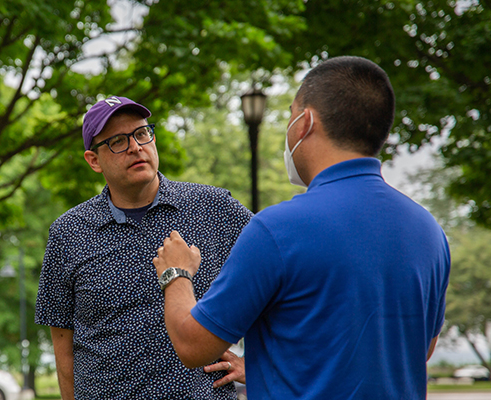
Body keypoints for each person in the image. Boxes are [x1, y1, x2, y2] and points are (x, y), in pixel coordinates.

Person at [153, 56, 450, 399]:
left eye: (291, 113)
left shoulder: (278, 230)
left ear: (305, 122)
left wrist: (176, 272)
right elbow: (417, 348)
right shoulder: (429, 232)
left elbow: (193, 345)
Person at [35, 95, 253, 399]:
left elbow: (285, 277)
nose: (136, 147)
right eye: (118, 142)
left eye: (141, 133)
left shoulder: (214, 208)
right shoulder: (68, 232)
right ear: (93, 160)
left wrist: (257, 366)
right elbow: (63, 346)